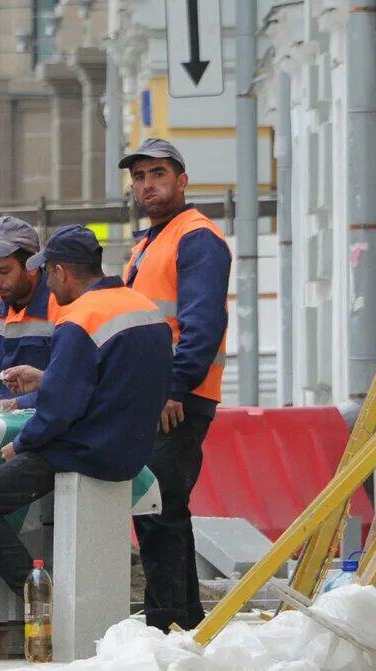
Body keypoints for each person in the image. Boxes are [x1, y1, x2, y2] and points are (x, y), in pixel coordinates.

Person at [0, 225, 172, 597]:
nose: (49, 286)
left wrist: (21, 445)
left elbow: (58, 412)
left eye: (49, 273)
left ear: (61, 272)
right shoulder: (143, 308)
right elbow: (109, 382)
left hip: (84, 451)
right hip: (132, 450)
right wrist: (47, 378)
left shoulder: (80, 318)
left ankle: (38, 597)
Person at [120, 138, 232, 632]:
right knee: (164, 509)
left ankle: (165, 623)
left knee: (158, 508)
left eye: (158, 174)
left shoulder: (196, 237)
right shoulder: (149, 242)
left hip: (176, 398)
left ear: (181, 181)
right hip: (153, 396)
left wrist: (174, 388)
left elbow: (201, 324)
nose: (148, 184)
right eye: (140, 176)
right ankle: (182, 621)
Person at [0, 216, 60, 410]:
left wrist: (18, 404)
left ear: (32, 266)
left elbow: (70, 387)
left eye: (4, 271)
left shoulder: (62, 307)